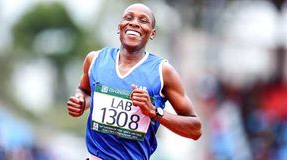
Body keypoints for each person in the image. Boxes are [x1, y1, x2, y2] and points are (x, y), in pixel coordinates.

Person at [67, 3, 202, 160]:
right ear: (120, 27)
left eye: (143, 20)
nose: (134, 23)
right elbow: (84, 91)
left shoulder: (163, 71)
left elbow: (195, 129)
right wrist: (81, 101)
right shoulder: (95, 59)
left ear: (152, 33)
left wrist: (154, 112)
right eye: (128, 18)